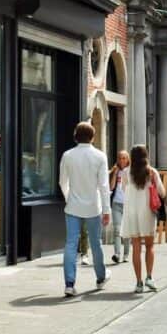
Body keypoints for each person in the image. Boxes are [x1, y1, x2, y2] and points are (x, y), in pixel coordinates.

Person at [58, 122, 111, 297]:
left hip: (73, 206)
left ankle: (69, 284)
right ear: (93, 137)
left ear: (76, 136)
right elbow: (104, 186)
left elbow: (62, 182)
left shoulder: (68, 155)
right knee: (95, 243)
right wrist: (106, 210)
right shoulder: (100, 156)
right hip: (93, 207)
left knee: (71, 244)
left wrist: (69, 197)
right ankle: (101, 277)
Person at [120, 145, 166, 293]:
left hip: (131, 212)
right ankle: (149, 277)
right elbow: (162, 192)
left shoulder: (126, 172)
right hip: (147, 212)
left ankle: (138, 282)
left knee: (136, 247)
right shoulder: (151, 172)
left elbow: (123, 189)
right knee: (150, 246)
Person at [109, 150, 132, 263]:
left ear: (128, 160)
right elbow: (111, 187)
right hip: (116, 203)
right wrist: (114, 173)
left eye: (124, 158)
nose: (122, 160)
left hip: (128, 204)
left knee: (126, 230)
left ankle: (126, 254)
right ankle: (117, 254)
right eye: (120, 158)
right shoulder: (116, 171)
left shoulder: (131, 172)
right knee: (117, 230)